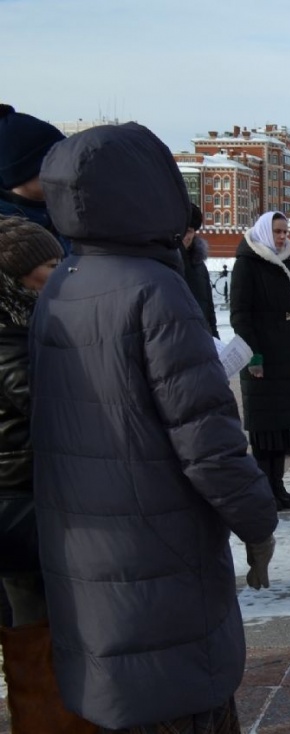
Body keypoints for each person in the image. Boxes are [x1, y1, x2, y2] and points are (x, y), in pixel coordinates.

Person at [30, 122, 278, 731]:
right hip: (161, 553)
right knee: (182, 701)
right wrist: (257, 522)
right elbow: (207, 439)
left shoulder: (62, 282)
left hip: (88, 551)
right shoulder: (154, 290)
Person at [0, 217, 95, 732]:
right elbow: (57, 412)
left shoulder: (26, 330)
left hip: (26, 503)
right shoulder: (12, 342)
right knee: (36, 634)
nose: (60, 276)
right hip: (19, 509)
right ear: (14, 281)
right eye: (49, 266)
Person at [231, 210, 290, 508]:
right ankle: (263, 489)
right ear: (265, 232)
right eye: (277, 231)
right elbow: (240, 314)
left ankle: (277, 485)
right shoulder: (247, 265)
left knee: (282, 428)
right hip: (263, 357)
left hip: (288, 354)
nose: (282, 237)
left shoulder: (289, 267)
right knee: (265, 430)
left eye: (284, 231)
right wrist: (253, 354)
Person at [0, 104, 70, 255]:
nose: (65, 170)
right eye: (52, 161)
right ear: (20, 173)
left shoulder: (71, 217)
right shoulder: (8, 241)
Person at [181, 202, 219, 338]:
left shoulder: (199, 265)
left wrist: (215, 336)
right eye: (183, 230)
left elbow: (209, 307)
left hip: (203, 338)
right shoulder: (164, 265)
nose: (186, 236)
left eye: (190, 231)